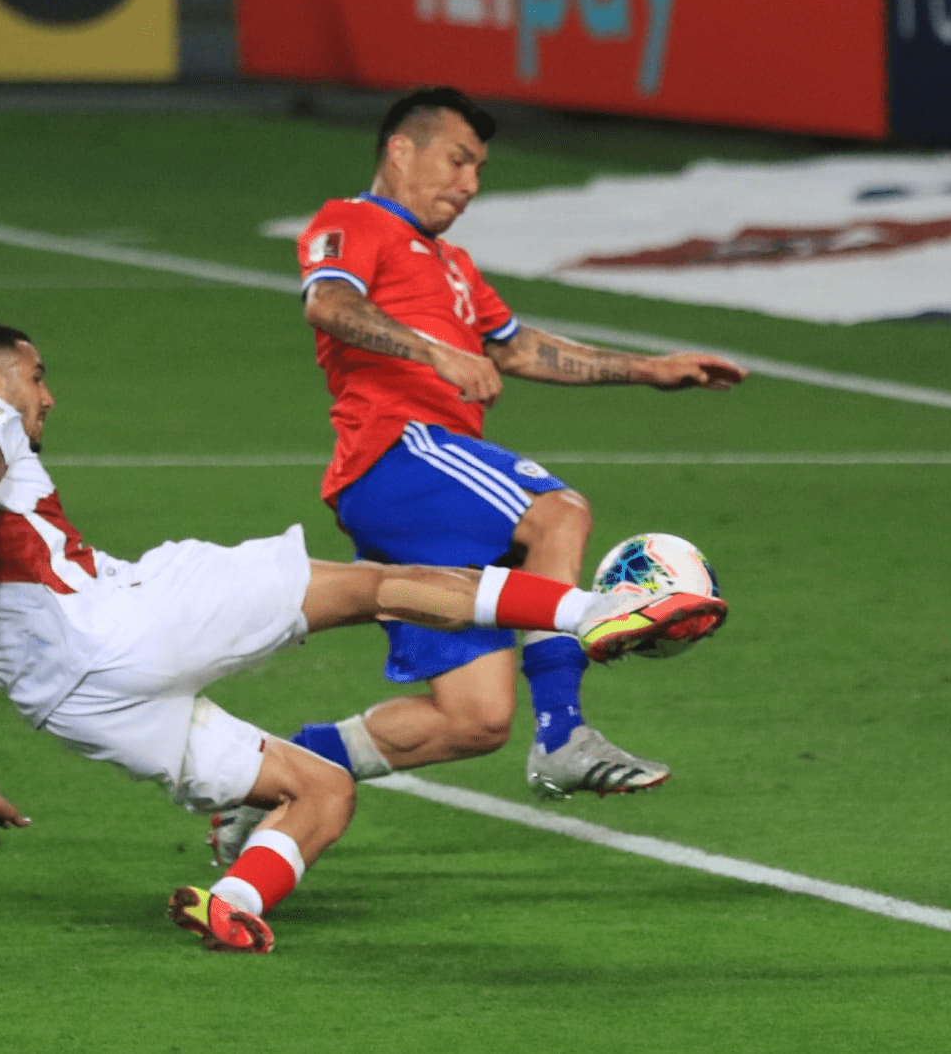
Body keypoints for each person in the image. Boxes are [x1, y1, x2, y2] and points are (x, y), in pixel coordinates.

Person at [0, 322, 727, 954]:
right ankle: (599, 612)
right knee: (378, 588)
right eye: (38, 378)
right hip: (128, 620)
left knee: (322, 790)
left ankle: (237, 901)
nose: (47, 396)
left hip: (75, 706)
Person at [219, 86, 748, 850]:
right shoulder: (353, 222)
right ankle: (564, 733)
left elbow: (515, 347)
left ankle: (265, 774)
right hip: (401, 450)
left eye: (479, 170)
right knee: (558, 513)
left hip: (422, 494)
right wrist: (435, 351)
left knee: (472, 720)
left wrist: (650, 369)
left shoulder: (453, 264)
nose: (469, 184)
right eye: (458, 160)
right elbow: (329, 305)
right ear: (402, 149)